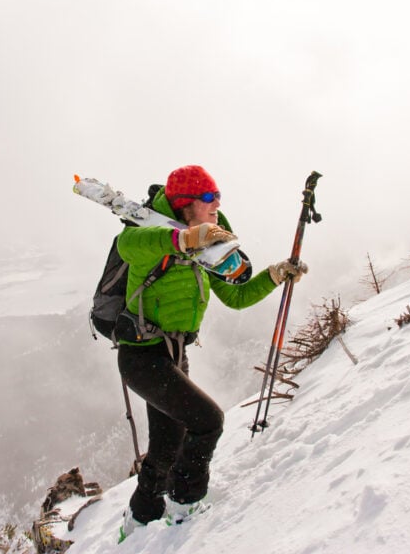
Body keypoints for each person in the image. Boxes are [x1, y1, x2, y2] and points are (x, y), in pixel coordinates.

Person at [115, 165, 307, 541]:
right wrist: (185, 240)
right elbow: (130, 245)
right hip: (141, 356)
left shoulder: (210, 249)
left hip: (172, 355)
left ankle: (138, 522)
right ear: (186, 206)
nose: (216, 203)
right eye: (207, 198)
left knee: (167, 447)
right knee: (208, 421)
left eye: (218, 196)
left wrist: (274, 274)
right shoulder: (145, 237)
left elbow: (236, 296)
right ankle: (184, 507)